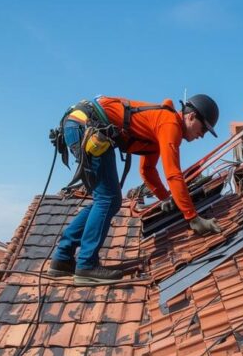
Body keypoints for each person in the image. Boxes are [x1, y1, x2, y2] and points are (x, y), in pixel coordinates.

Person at [48, 94, 222, 284]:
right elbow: (173, 174)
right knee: (108, 200)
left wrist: (165, 198)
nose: (202, 135)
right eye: (203, 128)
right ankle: (86, 265)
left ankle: (63, 259)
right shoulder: (169, 124)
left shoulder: (160, 125)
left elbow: (147, 170)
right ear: (190, 117)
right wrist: (193, 218)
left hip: (78, 125)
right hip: (86, 126)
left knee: (105, 199)